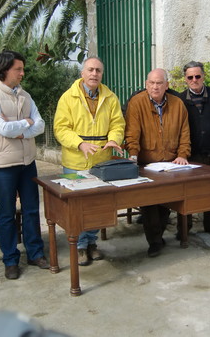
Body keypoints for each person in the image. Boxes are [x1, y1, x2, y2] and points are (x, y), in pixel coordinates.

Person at [0, 50, 49, 280]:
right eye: (18, 69)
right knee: (6, 213)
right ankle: (10, 259)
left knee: (31, 209)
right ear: (4, 69)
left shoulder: (25, 96)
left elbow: (40, 125)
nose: (22, 73)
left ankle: (35, 252)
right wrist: (25, 125)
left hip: (27, 162)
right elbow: (3, 129)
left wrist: (20, 127)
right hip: (2, 165)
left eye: (22, 68)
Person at [53, 56, 125, 266]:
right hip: (75, 161)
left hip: (101, 161)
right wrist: (80, 144)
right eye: (91, 70)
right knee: (77, 206)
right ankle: (80, 247)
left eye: (98, 71)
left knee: (97, 206)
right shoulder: (68, 98)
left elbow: (118, 124)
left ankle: (91, 242)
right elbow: (61, 128)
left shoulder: (110, 98)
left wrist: (113, 139)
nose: (94, 74)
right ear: (82, 73)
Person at [125, 68, 191, 257]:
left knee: (166, 203)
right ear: (146, 85)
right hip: (147, 163)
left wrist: (183, 154)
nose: (155, 87)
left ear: (166, 85)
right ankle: (154, 241)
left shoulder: (178, 104)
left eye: (159, 83)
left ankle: (158, 235)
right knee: (149, 204)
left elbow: (185, 133)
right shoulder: (136, 103)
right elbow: (132, 133)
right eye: (152, 83)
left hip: (171, 164)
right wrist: (133, 156)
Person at [177, 61, 210, 238]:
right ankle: (185, 227)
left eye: (197, 76)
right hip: (191, 154)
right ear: (185, 79)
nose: (194, 80)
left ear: (203, 76)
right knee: (188, 192)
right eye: (190, 77)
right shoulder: (180, 99)